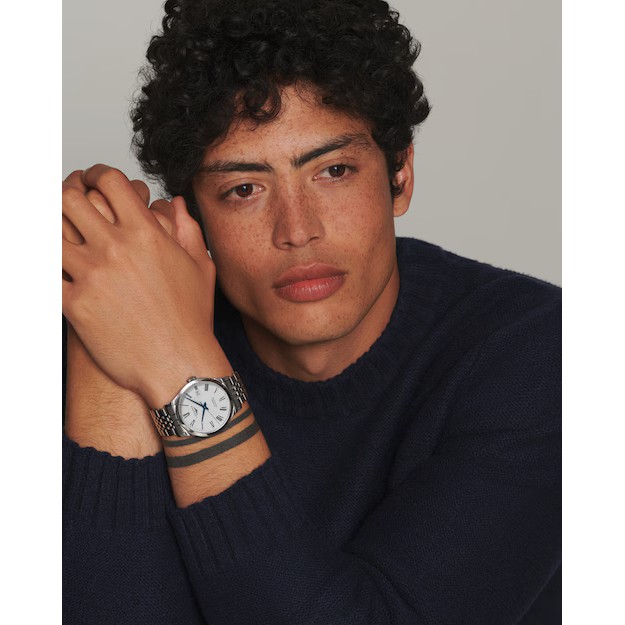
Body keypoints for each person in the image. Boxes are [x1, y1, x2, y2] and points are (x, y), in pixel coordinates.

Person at [62, 0, 561, 623]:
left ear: (400, 176)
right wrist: (96, 342)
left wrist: (175, 367)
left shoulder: (539, 353)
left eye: (334, 170)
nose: (297, 230)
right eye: (244, 189)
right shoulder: (109, 330)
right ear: (192, 217)